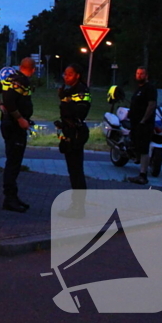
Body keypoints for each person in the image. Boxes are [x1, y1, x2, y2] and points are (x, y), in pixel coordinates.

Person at [0, 57, 35, 213]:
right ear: (33, 70)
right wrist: (20, 119)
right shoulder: (21, 82)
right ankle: (9, 199)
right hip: (14, 126)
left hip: (9, 124)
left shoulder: (9, 79)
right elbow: (10, 101)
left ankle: (13, 196)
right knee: (13, 163)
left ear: (20, 66)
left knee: (13, 161)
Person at [56, 64, 91, 218]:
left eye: (70, 74)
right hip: (68, 131)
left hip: (76, 133)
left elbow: (80, 112)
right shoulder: (69, 90)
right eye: (65, 74)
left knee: (76, 171)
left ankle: (78, 207)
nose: (66, 76)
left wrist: (66, 101)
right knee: (73, 170)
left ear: (77, 75)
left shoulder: (81, 90)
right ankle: (76, 204)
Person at [127, 66, 158, 185]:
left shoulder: (149, 88)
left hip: (144, 124)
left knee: (144, 148)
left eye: (142, 74)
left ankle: (143, 175)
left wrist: (144, 120)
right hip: (135, 123)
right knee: (138, 146)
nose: (139, 76)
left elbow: (151, 104)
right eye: (138, 73)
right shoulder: (138, 89)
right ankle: (139, 168)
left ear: (146, 75)